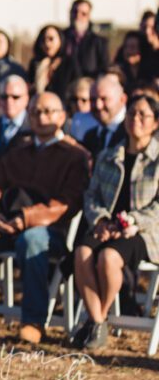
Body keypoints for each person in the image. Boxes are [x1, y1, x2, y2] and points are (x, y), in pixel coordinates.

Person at [0, 92, 90, 345]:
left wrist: (26, 218)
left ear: (62, 116)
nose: (40, 117)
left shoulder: (75, 155)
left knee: (32, 241)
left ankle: (33, 322)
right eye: (35, 112)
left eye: (48, 111)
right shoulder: (18, 150)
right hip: (4, 224)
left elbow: (67, 203)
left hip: (48, 230)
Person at [73, 94, 159, 350]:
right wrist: (99, 218)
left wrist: (132, 220)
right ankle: (99, 321)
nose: (136, 119)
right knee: (82, 252)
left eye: (144, 115)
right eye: (132, 113)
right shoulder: (110, 155)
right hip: (106, 225)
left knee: (108, 258)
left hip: (143, 231)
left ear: (155, 123)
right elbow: (91, 194)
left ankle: (95, 320)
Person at [82, 73, 128, 162]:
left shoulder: (132, 134)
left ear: (122, 99)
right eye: (93, 100)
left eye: (104, 99)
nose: (98, 106)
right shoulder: (90, 136)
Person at [64, 0, 109, 79]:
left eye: (83, 14)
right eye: (75, 12)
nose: (78, 16)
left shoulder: (99, 42)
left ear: (89, 16)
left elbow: (104, 67)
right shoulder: (61, 37)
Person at [29, 24, 78, 98]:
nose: (47, 44)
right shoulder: (35, 64)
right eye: (43, 40)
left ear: (60, 39)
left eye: (51, 39)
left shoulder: (70, 63)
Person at [66, 76, 99, 141]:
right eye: (74, 100)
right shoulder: (65, 122)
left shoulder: (100, 124)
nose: (78, 104)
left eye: (84, 100)